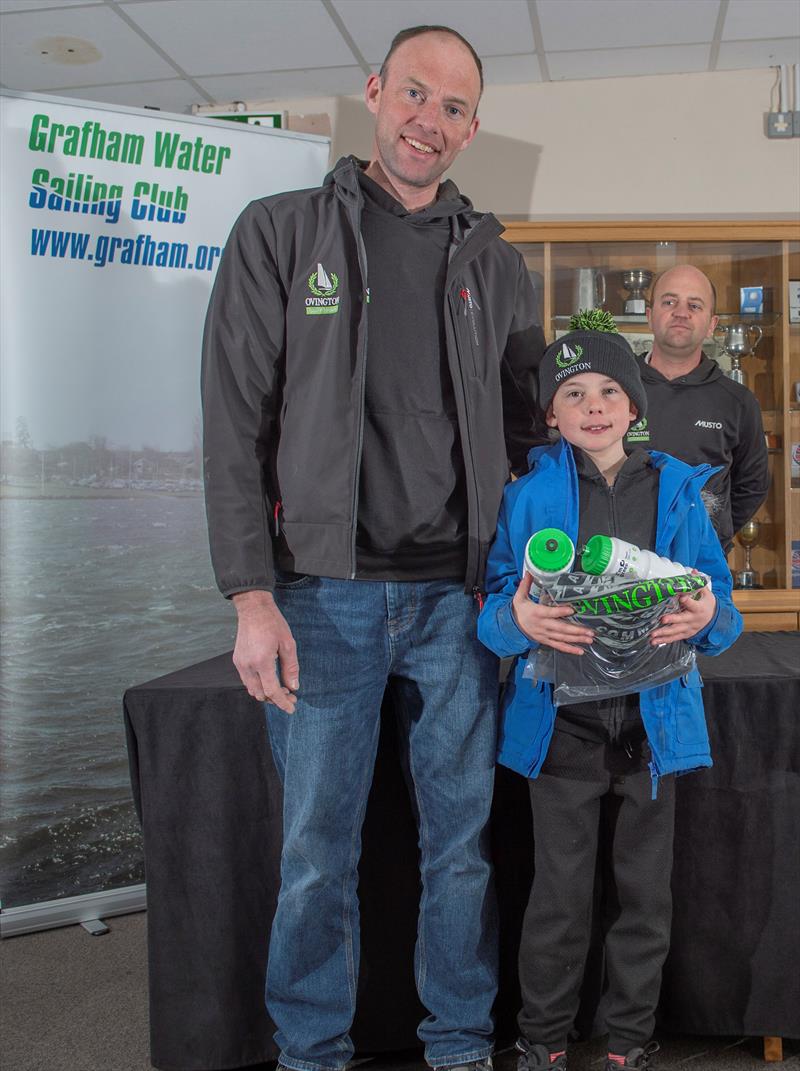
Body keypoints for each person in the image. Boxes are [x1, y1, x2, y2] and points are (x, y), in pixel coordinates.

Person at [201, 24, 546, 1071]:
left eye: (450, 108)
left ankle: (454, 1046)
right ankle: (310, 1052)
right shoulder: (279, 232)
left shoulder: (495, 260)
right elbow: (232, 421)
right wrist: (247, 597)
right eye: (412, 94)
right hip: (319, 599)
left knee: (461, 855)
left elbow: (530, 438)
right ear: (373, 92)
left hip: (459, 603)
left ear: (470, 127)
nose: (426, 121)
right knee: (315, 855)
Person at [477, 329, 742, 1071]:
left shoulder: (682, 492)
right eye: (573, 394)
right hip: (561, 728)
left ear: (633, 408)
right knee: (558, 897)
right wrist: (515, 620)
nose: (592, 406)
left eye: (608, 393)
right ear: (551, 415)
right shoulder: (526, 497)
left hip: (653, 727)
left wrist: (707, 618)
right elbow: (494, 607)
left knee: (643, 898)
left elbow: (721, 607)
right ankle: (544, 1038)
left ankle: (628, 1040)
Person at [626, 264, 769, 550]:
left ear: (712, 324)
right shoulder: (616, 389)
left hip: (700, 571)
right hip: (621, 561)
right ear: (650, 315)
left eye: (694, 305)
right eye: (670, 302)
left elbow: (752, 486)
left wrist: (710, 536)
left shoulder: (737, 401)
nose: (681, 312)